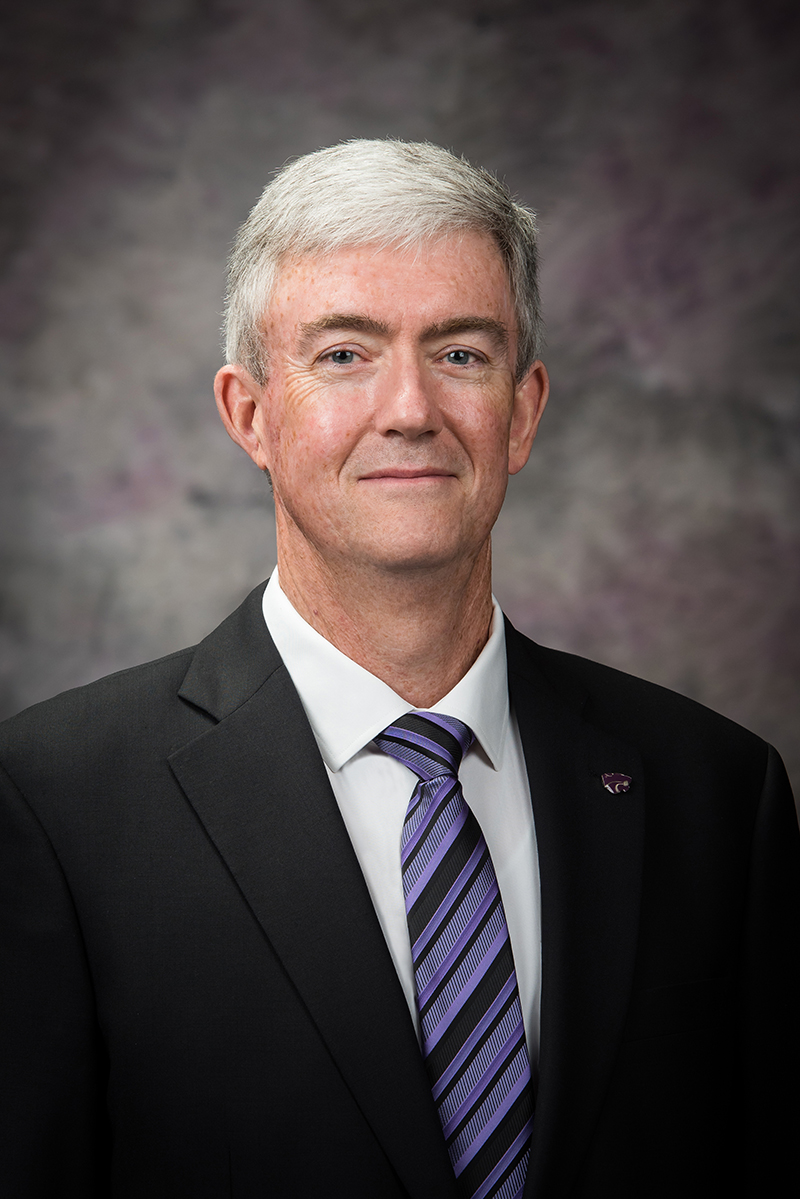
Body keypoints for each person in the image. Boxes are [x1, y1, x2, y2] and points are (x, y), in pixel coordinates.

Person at [0, 140, 798, 1199]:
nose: (411, 408)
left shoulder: (718, 794)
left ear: (522, 411)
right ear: (250, 415)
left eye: (461, 353)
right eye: (344, 354)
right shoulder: (51, 801)